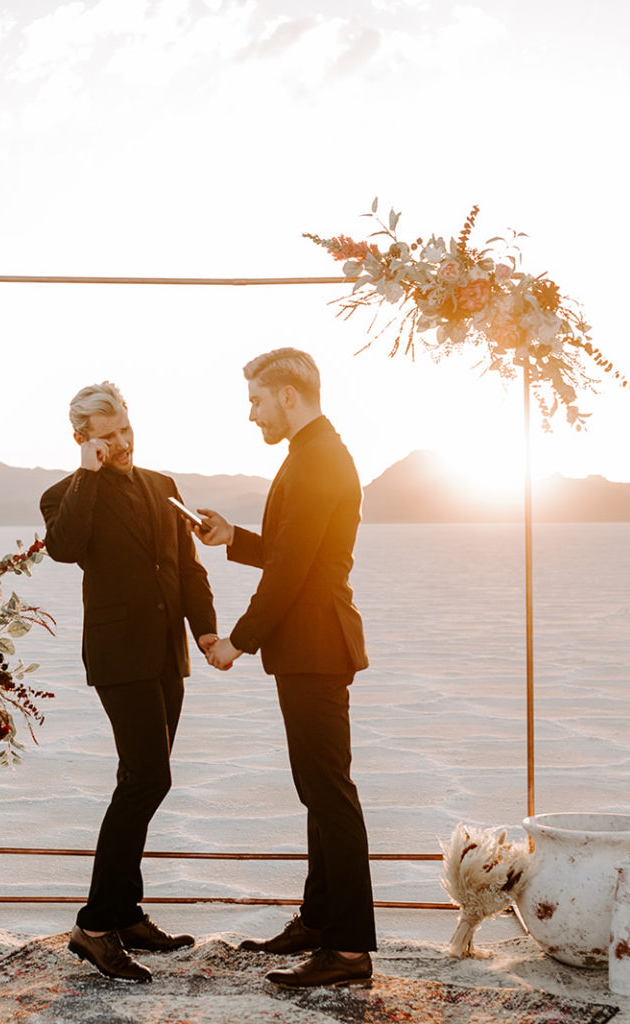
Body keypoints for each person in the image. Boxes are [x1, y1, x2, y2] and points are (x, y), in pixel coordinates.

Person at [196, 347, 376, 988]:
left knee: (330, 794)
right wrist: (233, 539)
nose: (252, 414)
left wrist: (235, 643)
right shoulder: (311, 455)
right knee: (318, 791)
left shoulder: (320, 459)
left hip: (317, 645)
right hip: (309, 646)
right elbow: (291, 548)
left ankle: (350, 951)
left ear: (288, 396)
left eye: (256, 400)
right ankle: (320, 919)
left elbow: (295, 572)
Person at [40, 380, 220, 984]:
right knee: (148, 778)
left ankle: (125, 912)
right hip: (119, 657)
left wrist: (206, 634)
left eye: (124, 430)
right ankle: (94, 928)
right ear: (83, 440)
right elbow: (65, 548)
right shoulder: (62, 495)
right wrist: (88, 474)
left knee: (141, 780)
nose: (119, 443)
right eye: (105, 436)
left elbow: (187, 567)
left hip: (170, 653)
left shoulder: (163, 487)